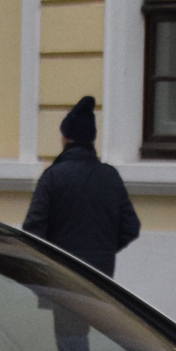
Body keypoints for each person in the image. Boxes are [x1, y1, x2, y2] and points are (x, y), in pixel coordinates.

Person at [22, 96, 140, 274]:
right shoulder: (111, 177)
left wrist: (49, 259)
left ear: (65, 138)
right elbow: (131, 227)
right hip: (100, 278)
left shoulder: (52, 177)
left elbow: (33, 230)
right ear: (92, 139)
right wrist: (103, 251)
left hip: (59, 273)